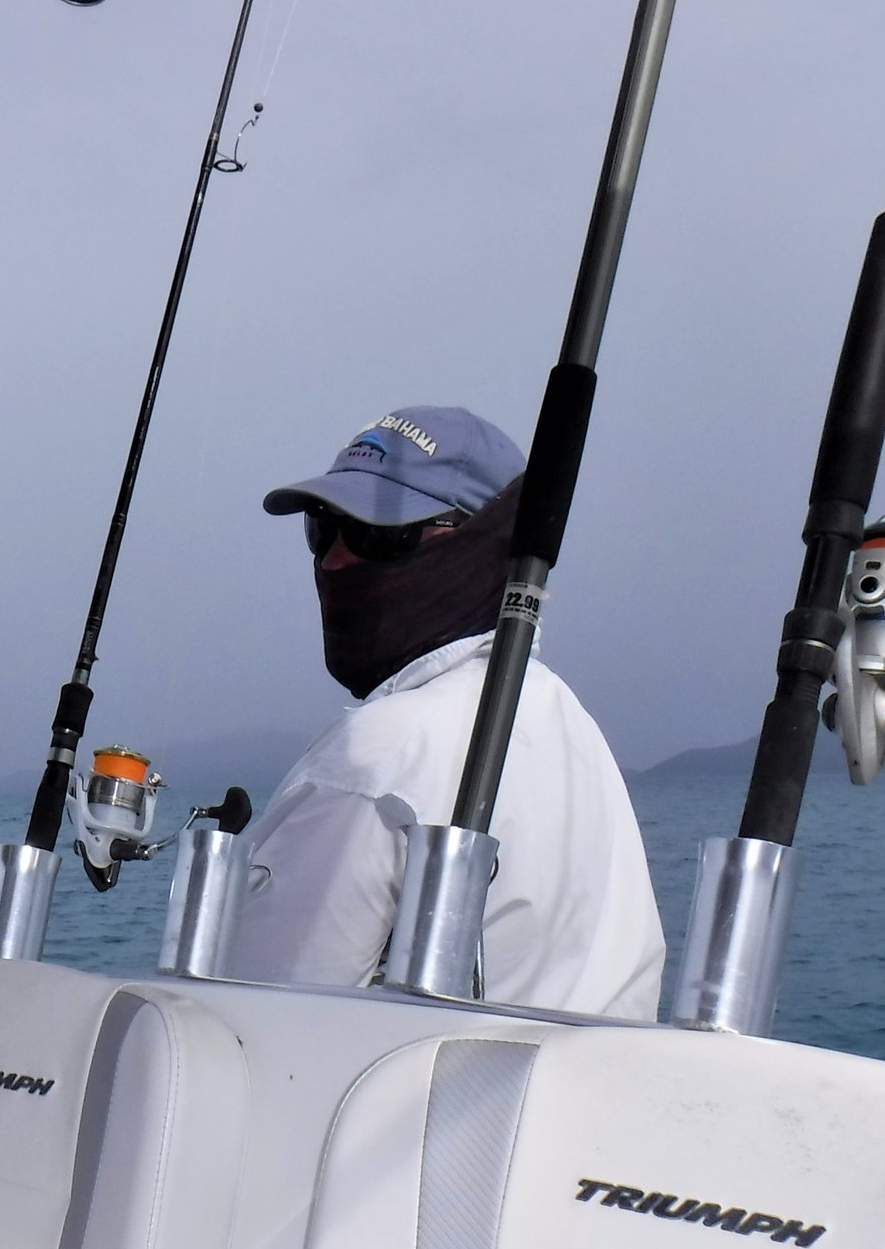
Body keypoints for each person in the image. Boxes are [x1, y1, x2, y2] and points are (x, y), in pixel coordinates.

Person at [227, 405, 666, 1019]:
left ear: (480, 543)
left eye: (378, 534)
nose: (333, 560)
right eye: (321, 530)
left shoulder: (375, 755)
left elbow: (253, 1020)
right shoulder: (572, 729)